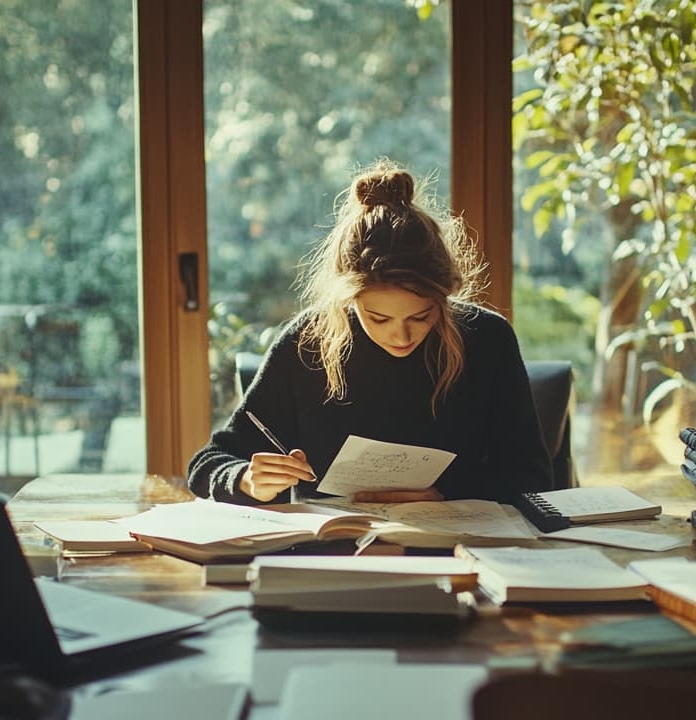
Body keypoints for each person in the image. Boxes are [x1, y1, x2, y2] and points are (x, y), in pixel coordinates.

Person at [190, 158, 550, 505]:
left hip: (456, 549)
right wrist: (247, 480)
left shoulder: (486, 339)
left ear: (445, 294)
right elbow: (208, 463)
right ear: (349, 300)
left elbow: (532, 476)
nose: (402, 336)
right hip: (332, 549)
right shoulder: (309, 342)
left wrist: (446, 497)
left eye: (422, 316)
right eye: (378, 319)